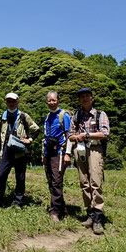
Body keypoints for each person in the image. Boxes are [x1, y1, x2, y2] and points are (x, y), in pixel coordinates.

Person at [68, 88, 110, 235]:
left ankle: (98, 217)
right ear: (79, 100)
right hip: (79, 149)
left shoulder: (100, 114)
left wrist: (86, 134)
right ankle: (90, 213)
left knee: (95, 181)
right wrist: (77, 137)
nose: (85, 98)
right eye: (82, 97)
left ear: (92, 98)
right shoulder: (76, 115)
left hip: (95, 149)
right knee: (84, 182)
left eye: (87, 96)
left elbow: (104, 133)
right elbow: (70, 135)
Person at [0, 92, 39, 209]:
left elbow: (36, 129)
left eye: (13, 101)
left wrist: (30, 140)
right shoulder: (1, 116)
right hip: (6, 150)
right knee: (0, 174)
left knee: (20, 177)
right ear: (6, 102)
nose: (11, 103)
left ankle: (18, 201)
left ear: (17, 101)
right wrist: (0, 146)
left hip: (20, 150)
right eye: (9, 101)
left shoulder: (24, 116)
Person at [42, 91, 73, 221]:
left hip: (59, 152)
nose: (51, 102)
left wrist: (68, 153)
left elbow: (69, 135)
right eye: (49, 100)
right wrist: (43, 154)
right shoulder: (48, 116)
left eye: (54, 100)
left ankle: (55, 211)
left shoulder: (63, 116)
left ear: (58, 101)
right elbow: (45, 137)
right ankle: (62, 208)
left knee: (57, 181)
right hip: (49, 152)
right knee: (51, 181)